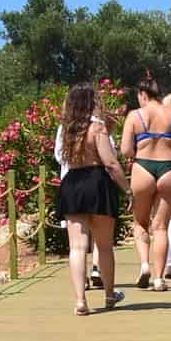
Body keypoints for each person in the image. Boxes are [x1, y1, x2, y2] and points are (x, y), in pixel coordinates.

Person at [52, 82, 126, 314]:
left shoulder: (67, 130)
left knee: (77, 246)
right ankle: (109, 295)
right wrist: (127, 188)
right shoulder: (97, 128)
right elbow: (111, 163)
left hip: (72, 183)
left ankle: (80, 300)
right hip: (96, 182)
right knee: (103, 246)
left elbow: (59, 157)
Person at [120, 76, 171, 289]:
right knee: (160, 227)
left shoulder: (135, 115)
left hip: (143, 168)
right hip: (169, 168)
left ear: (143, 95)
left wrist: (139, 149)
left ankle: (144, 266)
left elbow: (125, 150)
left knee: (140, 222)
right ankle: (159, 278)